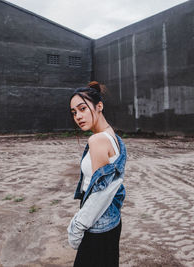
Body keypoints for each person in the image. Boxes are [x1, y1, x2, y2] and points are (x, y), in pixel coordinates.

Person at [67, 81, 127, 267]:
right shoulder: (114, 137)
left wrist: (77, 227)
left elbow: (101, 193)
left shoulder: (98, 140)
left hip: (98, 225)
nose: (78, 116)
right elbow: (115, 185)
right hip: (111, 220)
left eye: (83, 108)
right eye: (74, 112)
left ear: (99, 106)